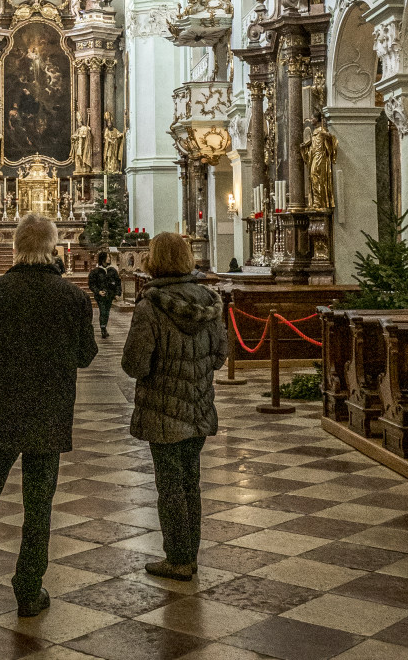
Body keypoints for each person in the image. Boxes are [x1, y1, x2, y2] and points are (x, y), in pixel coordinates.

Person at [0, 213, 97, 618]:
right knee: (39, 505)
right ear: (54, 247)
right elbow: (86, 356)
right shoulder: (74, 298)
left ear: (15, 247)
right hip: (48, 413)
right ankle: (29, 589)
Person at [120, 232, 226, 580]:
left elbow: (135, 365)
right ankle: (189, 554)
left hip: (163, 410)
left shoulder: (151, 306)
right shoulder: (210, 303)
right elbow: (221, 357)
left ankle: (178, 558)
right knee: (190, 482)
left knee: (169, 485)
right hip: (197, 406)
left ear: (154, 262)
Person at [87, 249, 122, 337]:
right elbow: (91, 284)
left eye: (109, 257)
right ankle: (103, 329)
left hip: (110, 295)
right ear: (103, 259)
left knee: (107, 312)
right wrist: (98, 291)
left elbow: (117, 282)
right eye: (108, 257)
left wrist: (117, 293)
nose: (109, 258)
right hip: (100, 296)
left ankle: (104, 327)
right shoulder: (96, 271)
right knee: (103, 311)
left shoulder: (112, 270)